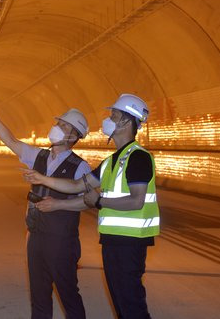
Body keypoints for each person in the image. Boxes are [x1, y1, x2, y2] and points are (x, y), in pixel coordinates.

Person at [23, 94, 159, 319]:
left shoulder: (138, 158)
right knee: (121, 305)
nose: (108, 119)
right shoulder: (111, 162)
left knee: (132, 305)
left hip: (131, 243)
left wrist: (99, 201)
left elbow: (137, 200)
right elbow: (78, 185)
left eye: (114, 116)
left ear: (127, 121)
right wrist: (42, 179)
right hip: (112, 240)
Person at [0, 94, 90, 319]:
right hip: (35, 236)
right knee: (39, 297)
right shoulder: (39, 156)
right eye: (58, 123)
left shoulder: (81, 167)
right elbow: (10, 142)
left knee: (69, 296)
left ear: (74, 135)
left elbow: (89, 201)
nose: (57, 127)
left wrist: (59, 204)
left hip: (61, 241)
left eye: (63, 125)